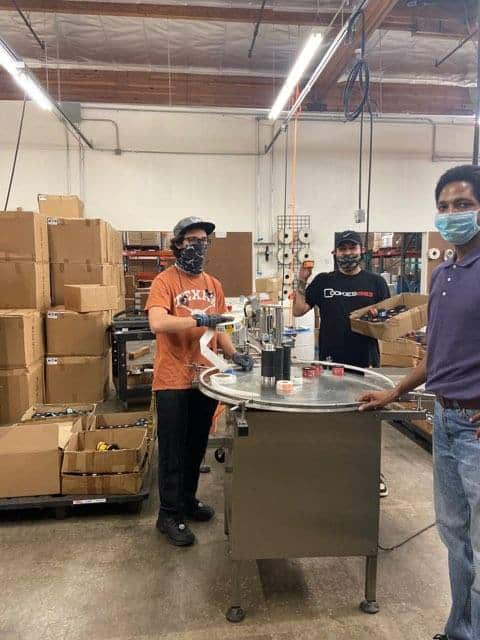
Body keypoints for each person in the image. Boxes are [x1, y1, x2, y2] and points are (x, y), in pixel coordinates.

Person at [358, 165, 480, 640]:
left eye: (464, 204)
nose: (453, 214)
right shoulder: (444, 272)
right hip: (446, 420)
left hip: (474, 425)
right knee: (453, 535)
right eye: (445, 206)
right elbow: (438, 356)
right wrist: (394, 392)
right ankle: (460, 630)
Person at [146, 216, 253, 547]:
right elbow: (157, 322)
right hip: (172, 379)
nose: (198, 246)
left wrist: (235, 355)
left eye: (203, 241)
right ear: (177, 244)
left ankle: (188, 502)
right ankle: (168, 515)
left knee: (195, 448)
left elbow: (218, 331)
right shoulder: (165, 281)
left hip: (204, 379)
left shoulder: (214, 284)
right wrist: (195, 318)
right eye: (191, 240)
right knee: (173, 451)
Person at [293, 229, 390, 497]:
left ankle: (370, 471)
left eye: (352, 248)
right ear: (335, 253)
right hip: (330, 360)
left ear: (361, 251)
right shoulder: (323, 281)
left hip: (364, 361)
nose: (348, 253)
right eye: (342, 249)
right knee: (332, 415)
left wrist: (378, 316)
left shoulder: (376, 282)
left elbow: (389, 319)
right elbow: (298, 310)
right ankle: (332, 465)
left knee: (367, 418)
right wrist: (301, 282)